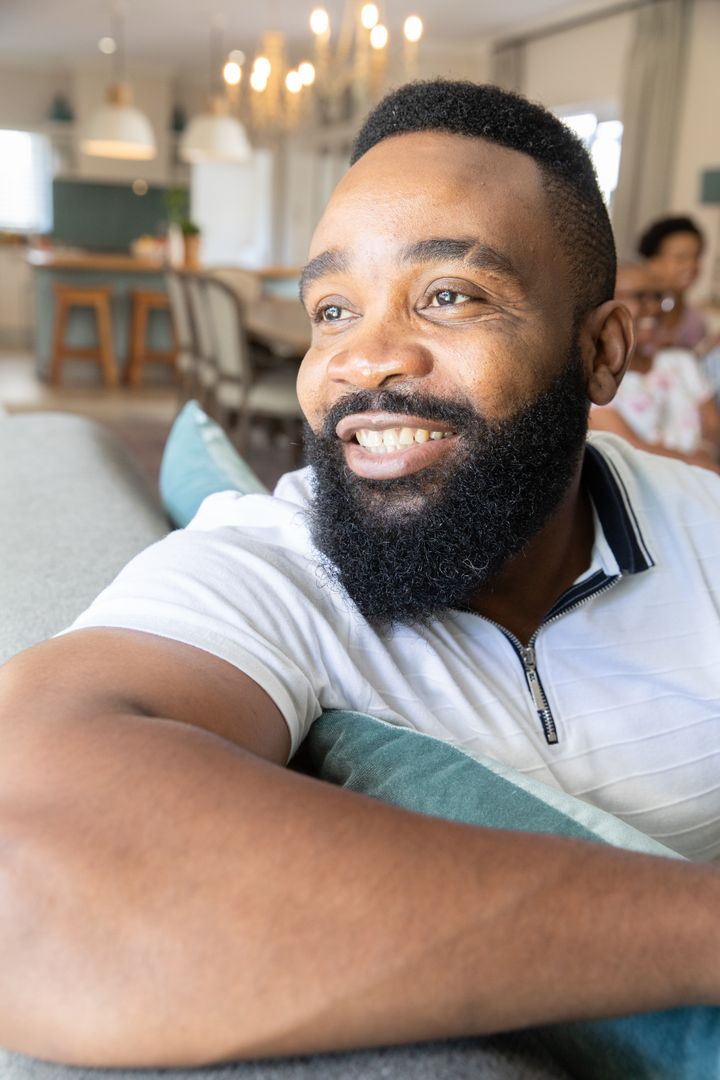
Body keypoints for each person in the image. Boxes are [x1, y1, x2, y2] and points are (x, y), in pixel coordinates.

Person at [1, 80, 720, 1068]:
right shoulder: (278, 562)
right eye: (332, 308)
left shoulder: (703, 531)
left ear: (601, 353)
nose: (362, 358)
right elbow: (25, 866)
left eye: (449, 295)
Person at [590, 261, 720, 470]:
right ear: (609, 304)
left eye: (659, 297)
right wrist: (697, 465)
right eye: (640, 296)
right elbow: (629, 447)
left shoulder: (681, 361)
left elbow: (713, 425)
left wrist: (705, 451)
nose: (654, 308)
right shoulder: (596, 376)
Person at [637, 215, 709, 351]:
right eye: (681, 258)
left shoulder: (695, 322)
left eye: (696, 256)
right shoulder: (633, 309)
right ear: (653, 262)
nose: (692, 265)